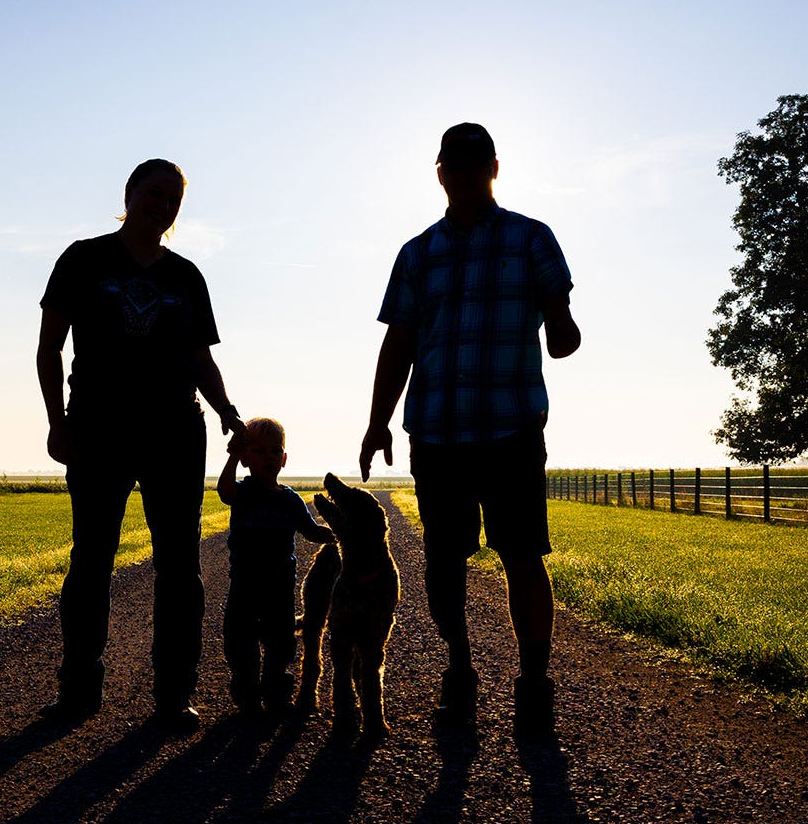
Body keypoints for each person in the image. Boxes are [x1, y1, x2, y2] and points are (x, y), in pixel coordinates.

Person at [358, 123, 581, 734]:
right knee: (443, 561)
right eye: (452, 163)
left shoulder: (531, 239)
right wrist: (377, 422)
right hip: (436, 432)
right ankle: (461, 670)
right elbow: (397, 342)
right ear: (439, 172)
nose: (462, 172)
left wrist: (563, 330)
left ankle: (534, 683)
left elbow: (563, 329)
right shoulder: (417, 253)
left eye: (474, 162)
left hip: (510, 430)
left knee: (524, 556)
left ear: (494, 168)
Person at [37, 158, 243, 732]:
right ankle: (78, 692)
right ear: (129, 193)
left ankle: (173, 698)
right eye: (154, 193)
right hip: (99, 428)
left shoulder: (186, 276)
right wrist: (58, 422)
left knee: (180, 567)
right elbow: (49, 347)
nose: (163, 205)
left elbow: (201, 357)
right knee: (91, 560)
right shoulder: (84, 259)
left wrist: (228, 411)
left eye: (173, 198)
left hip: (175, 431)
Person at [216, 417, 333, 716]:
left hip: (280, 585)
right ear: (245, 458)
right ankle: (247, 693)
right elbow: (224, 490)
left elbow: (309, 530)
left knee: (280, 642)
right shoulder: (243, 493)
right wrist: (231, 455)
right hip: (244, 582)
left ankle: (276, 692)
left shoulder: (291, 500)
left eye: (274, 451)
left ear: (283, 459)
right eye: (258, 451)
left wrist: (331, 535)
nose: (268, 457)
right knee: (241, 642)